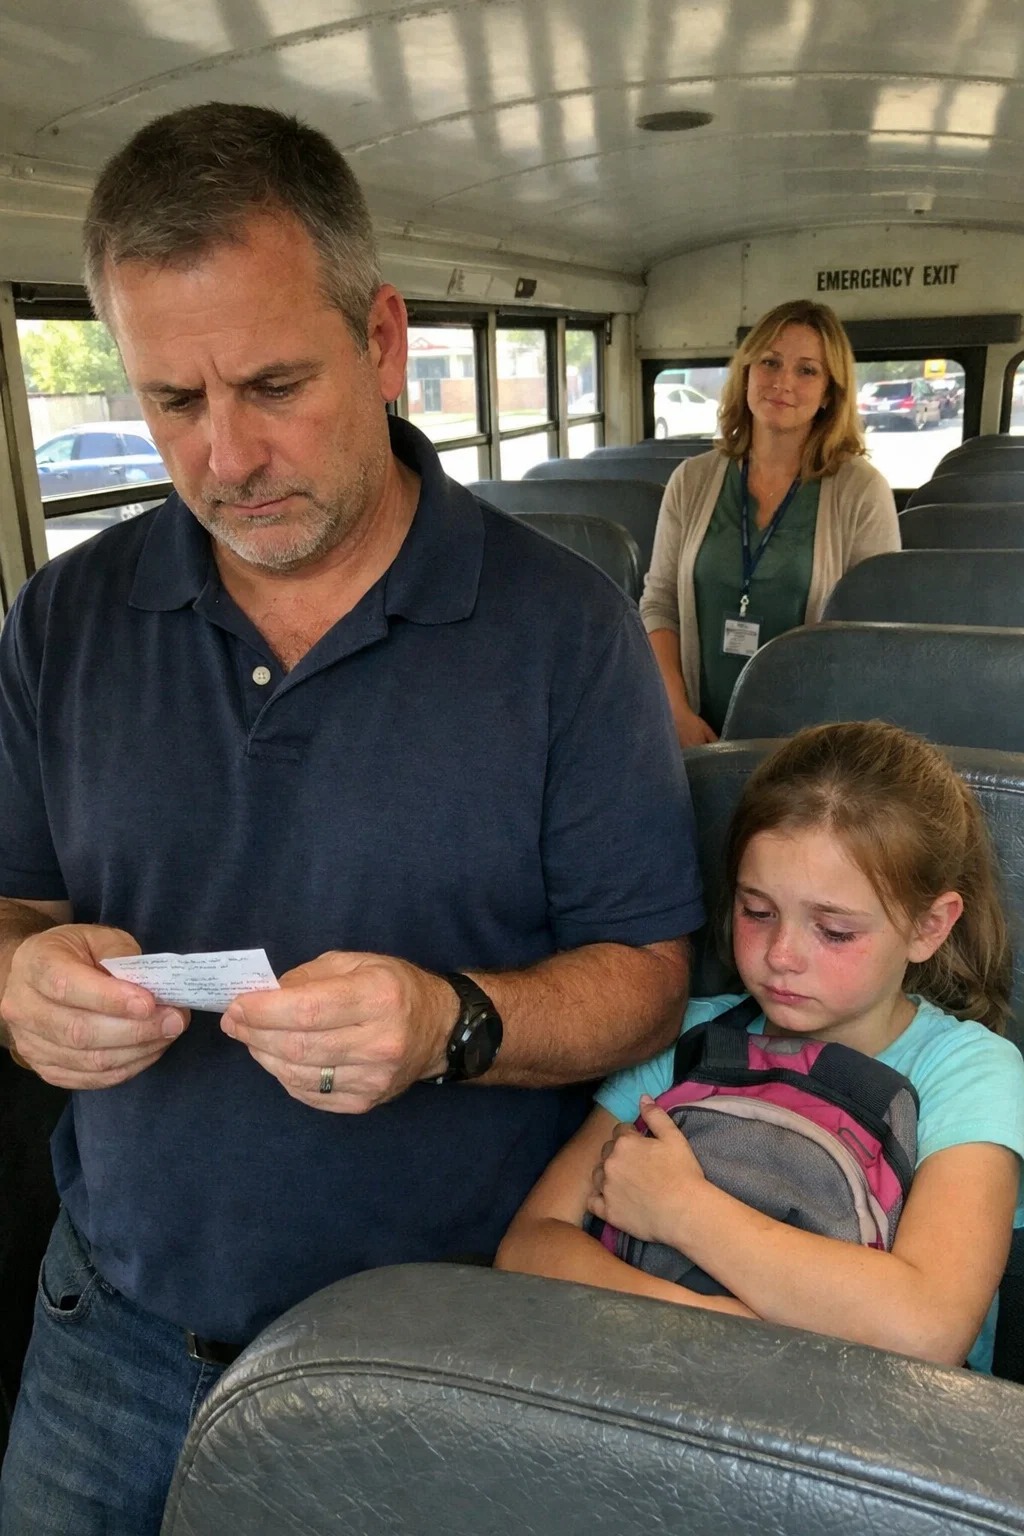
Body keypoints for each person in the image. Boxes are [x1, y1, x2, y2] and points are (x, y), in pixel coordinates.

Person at [0, 104, 703, 1534]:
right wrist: (19, 981)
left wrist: (453, 1023)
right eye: (173, 402)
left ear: (383, 342)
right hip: (108, 1325)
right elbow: (14, 902)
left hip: (442, 1352)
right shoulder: (62, 617)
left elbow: (646, 980)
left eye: (274, 385)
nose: (227, 458)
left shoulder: (564, 632)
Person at [497, 721, 1024, 1371]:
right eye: (757, 912)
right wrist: (709, 1323)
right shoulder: (685, 1036)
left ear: (929, 927)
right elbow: (530, 1245)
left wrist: (681, 1211)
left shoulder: (969, 1072)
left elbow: (927, 1327)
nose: (781, 955)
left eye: (834, 931)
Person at [641, 300, 900, 747]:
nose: (782, 382)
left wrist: (817, 747)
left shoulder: (861, 491)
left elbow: (870, 639)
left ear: (829, 393)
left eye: (807, 370)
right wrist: (676, 712)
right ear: (746, 372)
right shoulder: (691, 480)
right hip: (695, 731)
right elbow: (660, 602)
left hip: (811, 745)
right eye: (770, 362)